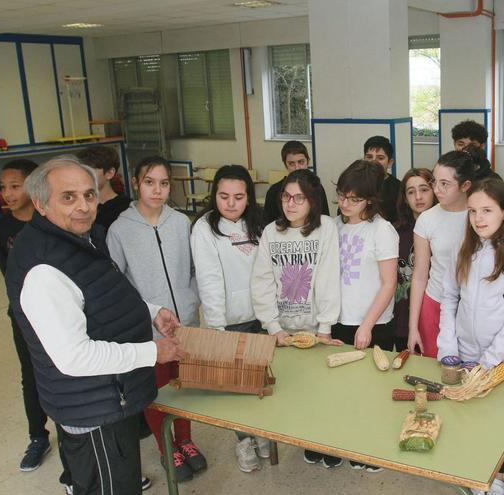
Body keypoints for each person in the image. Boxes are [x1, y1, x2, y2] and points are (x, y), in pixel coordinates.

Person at [4, 156, 185, 494]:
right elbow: (75, 358)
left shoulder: (83, 238)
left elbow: (101, 298)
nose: (83, 206)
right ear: (41, 204)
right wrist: (151, 352)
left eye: (88, 194)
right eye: (68, 197)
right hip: (93, 412)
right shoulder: (44, 269)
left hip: (109, 400)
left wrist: (150, 311)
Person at [107, 156, 206, 483]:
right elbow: (116, 284)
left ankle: (186, 440)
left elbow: (194, 270)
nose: (157, 190)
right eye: (150, 182)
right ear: (136, 182)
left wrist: (190, 302)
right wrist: (146, 312)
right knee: (158, 390)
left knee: (185, 386)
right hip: (147, 330)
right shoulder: (120, 229)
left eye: (164, 183)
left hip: (186, 323)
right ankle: (167, 449)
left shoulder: (180, 223)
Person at [250, 169, 344, 468]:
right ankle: (307, 439)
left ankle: (328, 441)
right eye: (286, 197)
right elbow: (262, 281)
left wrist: (326, 326)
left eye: (298, 198)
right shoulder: (270, 232)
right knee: (294, 390)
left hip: (317, 328)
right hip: (283, 331)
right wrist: (273, 326)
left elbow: (329, 277)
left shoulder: (326, 228)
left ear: (312, 201)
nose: (290, 204)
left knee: (325, 391)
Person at [190, 165, 271, 474]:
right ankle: (244, 441)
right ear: (215, 196)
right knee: (236, 389)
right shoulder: (204, 228)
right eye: (224, 196)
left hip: (261, 319)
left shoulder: (260, 224)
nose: (231, 203)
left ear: (249, 198)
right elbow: (209, 281)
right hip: (229, 323)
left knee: (260, 384)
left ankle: (262, 434)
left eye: (238, 197)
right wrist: (217, 328)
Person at [331, 160, 399, 472]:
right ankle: (347, 441)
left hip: (373, 324)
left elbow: (389, 283)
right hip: (339, 319)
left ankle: (372, 449)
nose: (345, 204)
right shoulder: (336, 226)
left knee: (372, 391)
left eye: (353, 199)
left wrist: (367, 324)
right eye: (341, 196)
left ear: (370, 200)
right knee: (344, 390)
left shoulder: (382, 230)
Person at [0, 159, 59, 473]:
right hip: (23, 316)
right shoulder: (1, 227)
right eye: (3, 187)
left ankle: (77, 437)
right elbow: (9, 276)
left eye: (14, 186)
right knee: (30, 375)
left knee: (64, 374)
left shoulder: (50, 220)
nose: (7, 193)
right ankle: (37, 436)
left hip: (59, 314)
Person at [438, 178, 504, 371]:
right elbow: (449, 296)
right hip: (461, 357)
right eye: (472, 211)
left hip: (502, 361)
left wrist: (489, 360)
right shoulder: (461, 247)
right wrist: (448, 349)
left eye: (487, 210)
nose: (478, 218)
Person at [407, 151, 477, 357]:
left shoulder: (479, 216)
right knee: (434, 369)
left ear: (465, 186)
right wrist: (413, 328)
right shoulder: (427, 219)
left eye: (445, 184)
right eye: (434, 181)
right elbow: (420, 276)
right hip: (435, 302)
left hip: (472, 305)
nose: (436, 189)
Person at [393, 168, 435, 351]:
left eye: (424, 189)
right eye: (411, 192)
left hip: (436, 313)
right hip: (402, 315)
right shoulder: (395, 232)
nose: (418, 197)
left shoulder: (445, 228)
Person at [263, 141, 329, 224]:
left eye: (301, 162)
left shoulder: (317, 188)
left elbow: (324, 219)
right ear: (285, 164)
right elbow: (268, 224)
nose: (297, 167)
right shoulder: (274, 191)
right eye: (291, 164)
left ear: (308, 161)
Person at [77, 145, 131, 229]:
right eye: (81, 171)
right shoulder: (78, 206)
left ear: (109, 173)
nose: (84, 176)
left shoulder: (126, 209)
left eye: (90, 171)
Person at [362, 136, 403, 222]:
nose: (373, 162)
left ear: (390, 163)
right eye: (369, 157)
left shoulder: (399, 188)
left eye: (380, 158)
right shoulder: (354, 183)